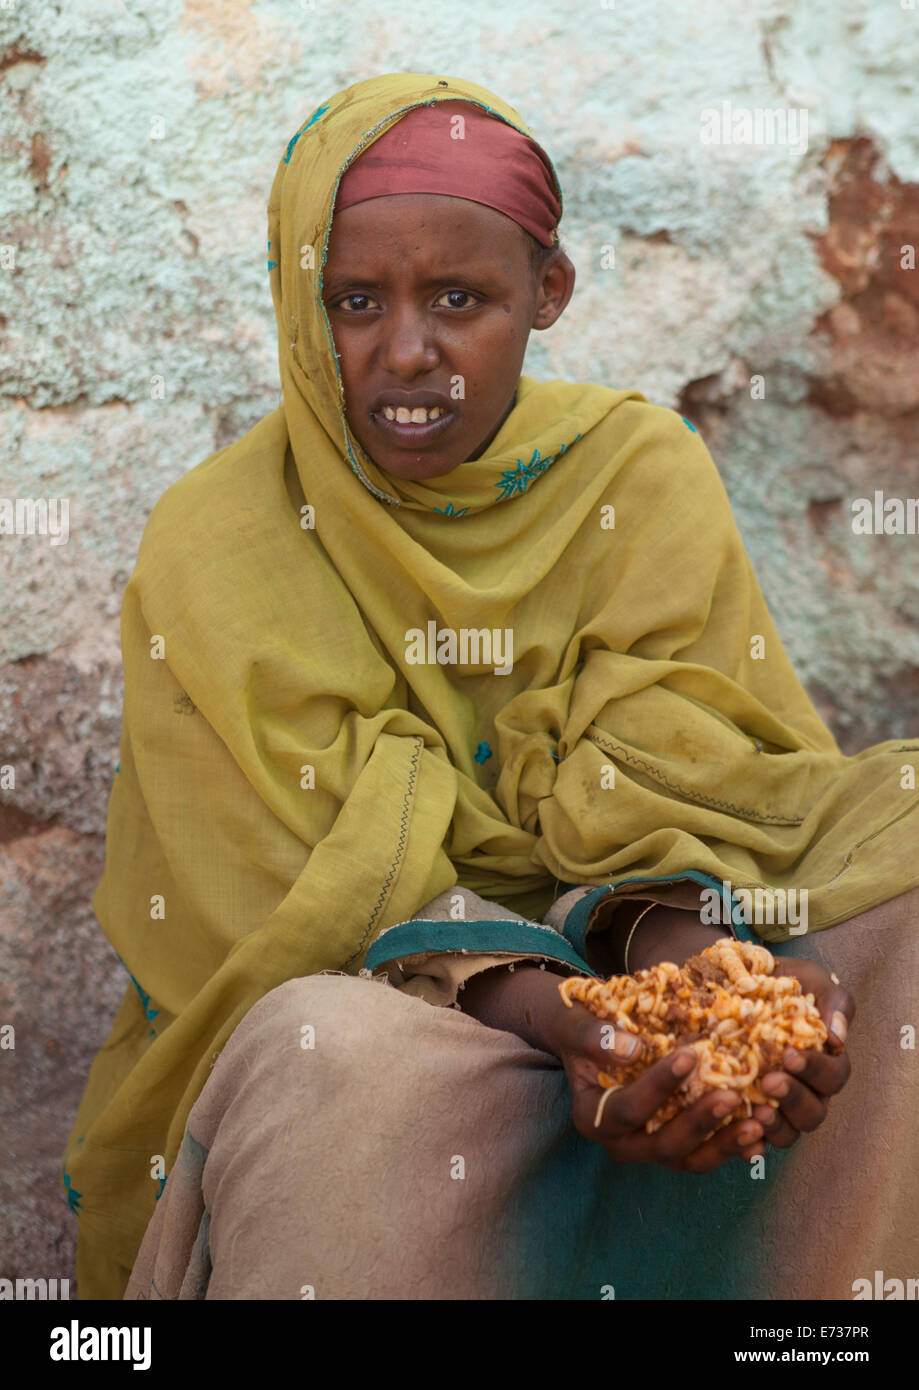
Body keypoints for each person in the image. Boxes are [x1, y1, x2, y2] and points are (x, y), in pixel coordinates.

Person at [63, 72, 919, 1301]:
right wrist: (558, 1014)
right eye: (356, 302)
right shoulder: (218, 547)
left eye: (458, 298)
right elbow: (281, 915)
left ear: (548, 292)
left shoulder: (637, 473)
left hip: (626, 962)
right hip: (410, 1026)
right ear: (305, 308)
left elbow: (689, 776)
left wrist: (697, 982)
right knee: (330, 1058)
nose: (406, 353)